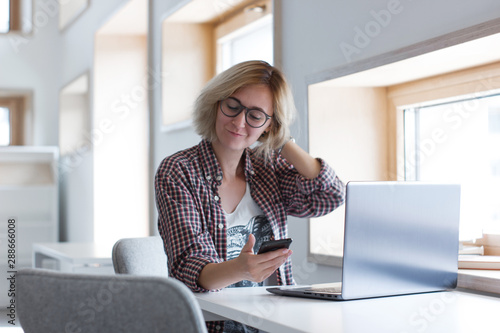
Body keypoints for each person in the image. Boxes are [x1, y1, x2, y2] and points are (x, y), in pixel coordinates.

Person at [155, 60, 345, 332]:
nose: (238, 122)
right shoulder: (179, 170)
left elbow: (331, 195)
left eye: (255, 115)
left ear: (270, 124)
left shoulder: (268, 167)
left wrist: (282, 141)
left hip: (274, 321)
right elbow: (188, 270)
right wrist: (241, 269)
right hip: (211, 324)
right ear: (216, 103)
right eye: (232, 106)